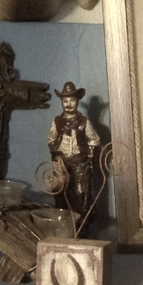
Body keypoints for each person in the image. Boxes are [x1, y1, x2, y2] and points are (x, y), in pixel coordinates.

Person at [47, 82, 100, 230]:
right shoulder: (57, 121)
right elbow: (51, 139)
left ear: (77, 101)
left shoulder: (84, 121)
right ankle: (63, 223)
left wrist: (90, 156)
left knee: (81, 192)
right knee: (60, 190)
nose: (68, 104)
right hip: (61, 162)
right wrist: (56, 152)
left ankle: (81, 224)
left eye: (72, 100)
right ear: (61, 102)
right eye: (65, 101)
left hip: (79, 162)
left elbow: (94, 139)